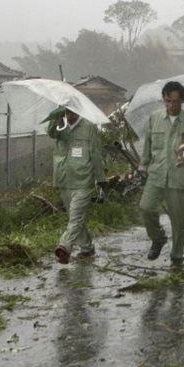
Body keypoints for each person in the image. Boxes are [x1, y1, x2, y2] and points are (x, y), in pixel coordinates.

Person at [138, 81, 184, 268]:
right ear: (163, 99)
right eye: (168, 101)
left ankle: (177, 257)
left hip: (180, 176)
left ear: (182, 100)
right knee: (146, 207)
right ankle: (158, 237)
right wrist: (143, 165)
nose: (172, 105)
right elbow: (148, 145)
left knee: (179, 220)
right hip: (157, 173)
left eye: (176, 101)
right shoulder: (154, 119)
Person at [48, 107, 107, 264]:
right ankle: (87, 248)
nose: (70, 116)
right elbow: (51, 134)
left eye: (72, 112)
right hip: (64, 179)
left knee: (75, 217)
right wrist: (56, 120)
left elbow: (95, 153)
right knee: (76, 217)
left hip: (83, 181)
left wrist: (101, 180)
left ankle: (64, 246)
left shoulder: (89, 128)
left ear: (79, 111)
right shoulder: (62, 126)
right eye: (67, 113)